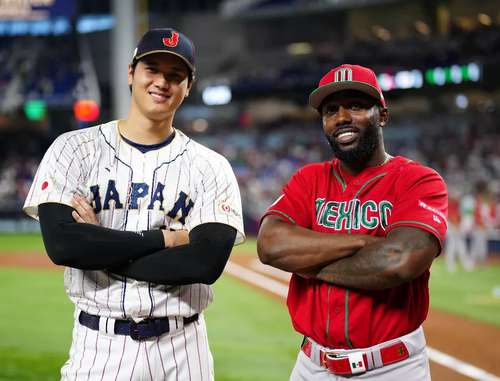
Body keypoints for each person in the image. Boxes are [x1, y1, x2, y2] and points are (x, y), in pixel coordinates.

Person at [23, 28, 245, 381]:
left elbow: (203, 263)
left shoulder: (211, 166)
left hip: (182, 347)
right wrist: (164, 240)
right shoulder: (72, 149)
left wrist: (99, 245)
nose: (162, 82)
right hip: (99, 345)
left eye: (175, 76)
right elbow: (64, 245)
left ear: (188, 86)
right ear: (131, 73)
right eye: (152, 69)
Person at [257, 64, 448, 380]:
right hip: (312, 366)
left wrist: (307, 264)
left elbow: (398, 261)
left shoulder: (419, 180)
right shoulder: (309, 179)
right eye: (331, 110)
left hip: (391, 367)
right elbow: (270, 245)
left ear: (382, 115)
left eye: (356, 106)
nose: (342, 117)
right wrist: (361, 242)